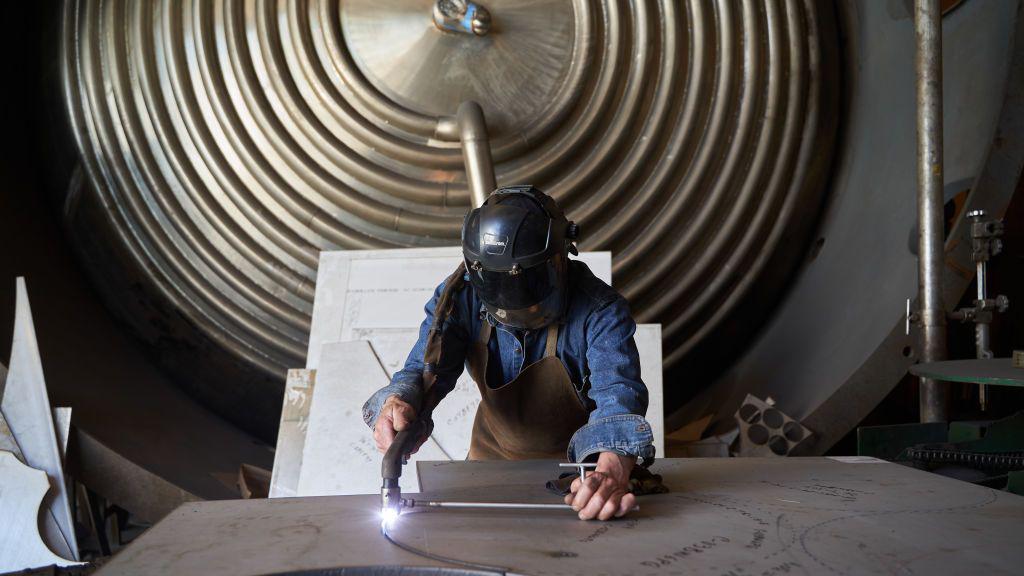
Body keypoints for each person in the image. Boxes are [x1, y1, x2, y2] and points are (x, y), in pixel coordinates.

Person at [362, 185, 654, 521]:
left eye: (528, 288)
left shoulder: (600, 311)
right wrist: (399, 403)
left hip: (578, 473)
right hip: (489, 459)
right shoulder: (462, 297)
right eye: (499, 290)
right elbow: (425, 371)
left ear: (560, 256)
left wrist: (612, 469)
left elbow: (618, 397)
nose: (518, 307)